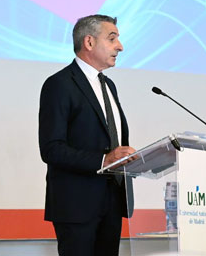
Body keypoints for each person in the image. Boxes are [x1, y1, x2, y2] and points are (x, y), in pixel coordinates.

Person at [39, 15, 136, 256]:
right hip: (76, 204)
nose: (120, 47)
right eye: (112, 38)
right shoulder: (59, 84)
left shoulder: (109, 86)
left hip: (112, 200)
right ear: (89, 42)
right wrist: (104, 160)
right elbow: (51, 148)